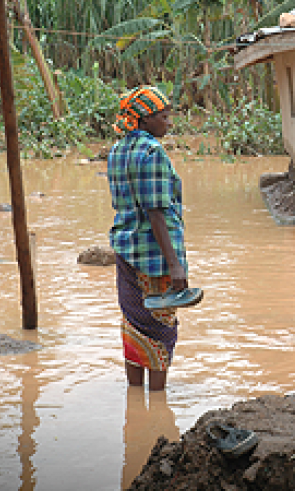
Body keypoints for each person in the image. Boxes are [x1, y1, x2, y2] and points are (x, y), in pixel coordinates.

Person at [108, 86, 194, 391]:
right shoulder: (151, 151)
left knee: (133, 323)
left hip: (126, 249)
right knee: (160, 328)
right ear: (144, 120)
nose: (169, 122)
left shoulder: (118, 149)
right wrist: (176, 266)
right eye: (163, 116)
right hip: (154, 257)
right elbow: (156, 212)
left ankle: (135, 399)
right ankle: (158, 403)